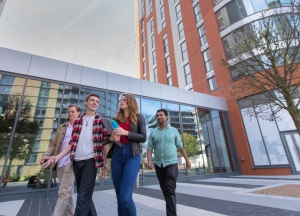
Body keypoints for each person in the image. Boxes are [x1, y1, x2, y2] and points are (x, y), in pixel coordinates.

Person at [42, 94, 110, 216]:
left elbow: (105, 143)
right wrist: (57, 157)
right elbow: (72, 143)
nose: (95, 103)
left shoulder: (101, 120)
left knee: (82, 198)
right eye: (92, 100)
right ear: (86, 102)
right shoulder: (78, 121)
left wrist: (106, 164)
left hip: (91, 161)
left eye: (97, 101)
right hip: (76, 161)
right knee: (83, 195)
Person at [147, 109, 191, 216]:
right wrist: (149, 160)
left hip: (171, 164)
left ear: (166, 117)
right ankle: (170, 211)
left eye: (161, 115)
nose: (159, 117)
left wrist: (187, 160)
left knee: (170, 190)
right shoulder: (153, 132)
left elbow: (180, 146)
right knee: (165, 190)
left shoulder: (174, 130)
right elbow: (149, 148)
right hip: (158, 165)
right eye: (157, 116)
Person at [108, 93, 146, 216]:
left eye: (124, 100)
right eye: (121, 100)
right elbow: (108, 139)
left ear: (130, 102)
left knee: (125, 198)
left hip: (132, 155)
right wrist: (112, 138)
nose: (121, 101)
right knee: (119, 198)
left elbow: (143, 137)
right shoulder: (116, 119)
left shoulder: (139, 117)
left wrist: (126, 132)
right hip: (117, 155)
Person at [40, 104, 80, 216]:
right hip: (60, 163)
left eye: (73, 111)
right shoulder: (63, 127)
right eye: (69, 112)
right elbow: (53, 145)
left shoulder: (81, 128)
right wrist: (45, 155)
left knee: (63, 192)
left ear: (78, 113)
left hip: (72, 162)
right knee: (68, 192)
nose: (70, 113)